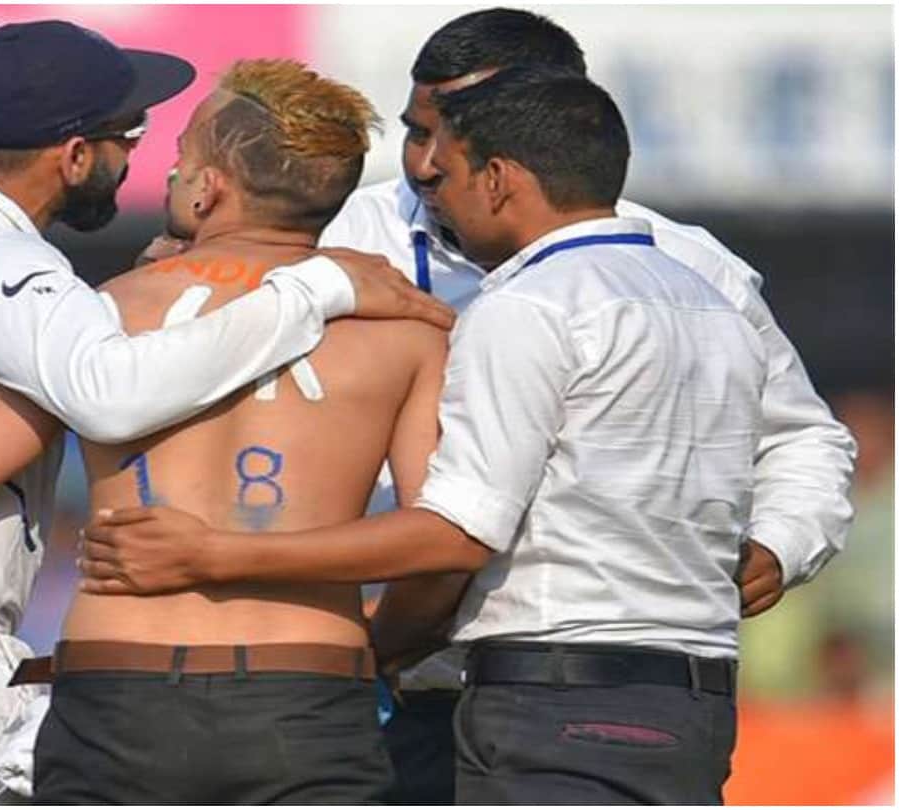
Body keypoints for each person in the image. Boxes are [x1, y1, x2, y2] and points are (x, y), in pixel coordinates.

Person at [0, 21, 449, 806]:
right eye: (131, 138)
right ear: (74, 156)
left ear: (209, 187)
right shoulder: (402, 327)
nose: (146, 163)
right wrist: (320, 288)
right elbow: (441, 541)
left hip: (22, 675)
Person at [79, 68, 777, 804]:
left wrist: (222, 556)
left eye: (447, 172)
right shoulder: (716, 302)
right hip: (690, 698)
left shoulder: (525, 307)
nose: (430, 188)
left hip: (550, 696)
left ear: (499, 178)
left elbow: (457, 537)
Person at [311, 8, 858, 803]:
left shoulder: (689, 265)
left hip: (561, 682)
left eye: (454, 134)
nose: (427, 165)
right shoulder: (341, 239)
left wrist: (780, 541)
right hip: (383, 690)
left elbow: (803, 439)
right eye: (415, 130)